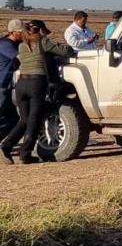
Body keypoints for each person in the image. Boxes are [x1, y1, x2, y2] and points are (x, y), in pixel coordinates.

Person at [0, 23, 76, 164]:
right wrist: (67, 48)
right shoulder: (42, 42)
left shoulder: (22, 45)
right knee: (34, 120)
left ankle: (6, 146)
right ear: (39, 32)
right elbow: (64, 52)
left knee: (24, 119)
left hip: (21, 85)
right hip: (36, 84)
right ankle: (25, 154)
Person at [0, 20, 24, 139]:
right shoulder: (5, 44)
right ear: (13, 32)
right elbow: (21, 57)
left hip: (8, 86)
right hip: (1, 85)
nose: (23, 34)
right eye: (21, 32)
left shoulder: (15, 44)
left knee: (13, 118)